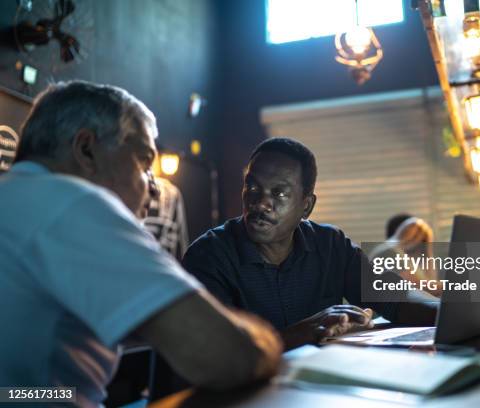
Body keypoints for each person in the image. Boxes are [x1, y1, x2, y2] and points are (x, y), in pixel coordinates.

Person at [0, 81, 282, 407]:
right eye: (145, 162)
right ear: (86, 149)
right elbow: (230, 358)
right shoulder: (72, 200)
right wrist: (270, 339)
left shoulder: (16, 197)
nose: (156, 187)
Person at [182, 138, 439, 350]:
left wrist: (450, 312)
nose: (259, 203)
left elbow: (394, 296)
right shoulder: (209, 256)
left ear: (307, 205)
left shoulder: (330, 244)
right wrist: (305, 331)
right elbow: (217, 357)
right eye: (252, 187)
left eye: (279, 193)